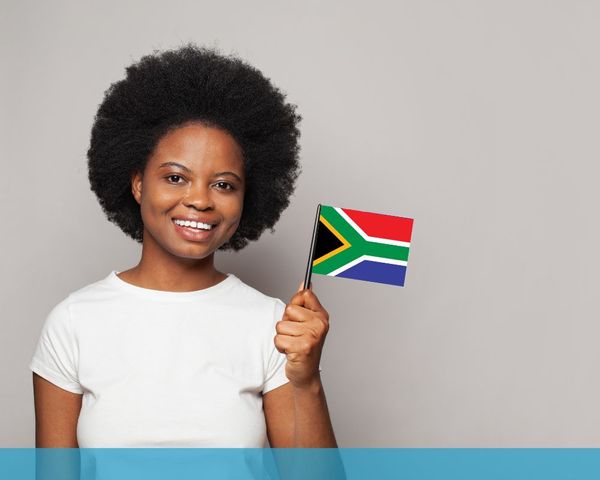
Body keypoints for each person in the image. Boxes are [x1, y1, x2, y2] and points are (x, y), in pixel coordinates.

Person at [29, 43, 337, 449]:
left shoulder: (274, 326)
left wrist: (306, 379)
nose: (201, 200)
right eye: (176, 177)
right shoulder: (73, 323)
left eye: (224, 184)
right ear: (138, 183)